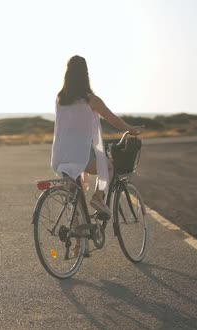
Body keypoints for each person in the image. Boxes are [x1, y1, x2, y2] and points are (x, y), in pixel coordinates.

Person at [51, 55, 141, 217]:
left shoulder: (60, 98)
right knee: (108, 167)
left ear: (68, 73)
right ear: (85, 74)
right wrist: (131, 129)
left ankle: (79, 235)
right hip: (80, 154)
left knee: (75, 196)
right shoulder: (91, 100)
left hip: (59, 154)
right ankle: (98, 197)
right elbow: (114, 120)